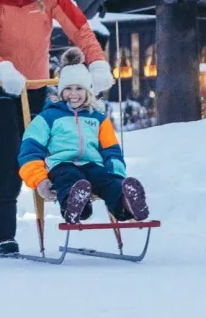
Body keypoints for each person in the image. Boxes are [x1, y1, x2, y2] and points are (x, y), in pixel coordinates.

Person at [0, 0, 113, 255]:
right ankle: (3, 232)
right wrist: (1, 68)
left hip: (34, 85)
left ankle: (69, 199)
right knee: (10, 150)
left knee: (44, 150)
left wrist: (97, 62)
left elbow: (79, 28)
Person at [17, 48, 149, 223]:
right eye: (68, 88)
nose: (73, 93)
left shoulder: (97, 118)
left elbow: (111, 150)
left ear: (88, 91)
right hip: (60, 165)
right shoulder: (48, 117)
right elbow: (30, 150)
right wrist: (40, 180)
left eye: (79, 88)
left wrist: (117, 174)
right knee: (69, 178)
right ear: (60, 91)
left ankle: (126, 203)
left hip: (92, 165)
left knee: (108, 181)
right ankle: (75, 205)